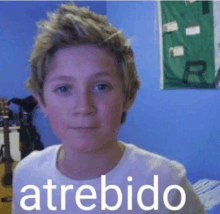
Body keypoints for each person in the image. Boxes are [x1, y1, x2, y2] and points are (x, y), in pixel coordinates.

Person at [12, 2, 205, 213]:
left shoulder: (167, 183)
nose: (83, 107)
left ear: (129, 95)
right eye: (64, 88)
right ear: (42, 101)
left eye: (101, 86)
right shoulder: (27, 174)